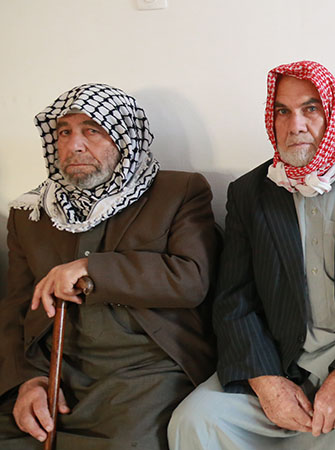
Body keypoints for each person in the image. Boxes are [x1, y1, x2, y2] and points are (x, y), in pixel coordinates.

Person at [168, 61, 335, 449]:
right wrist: (267, 383)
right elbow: (234, 300)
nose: (296, 126)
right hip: (281, 359)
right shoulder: (250, 194)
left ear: (333, 115)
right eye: (283, 112)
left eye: (310, 109)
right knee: (194, 422)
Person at [0, 83, 219, 449]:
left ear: (124, 139)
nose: (74, 145)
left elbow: (191, 280)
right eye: (64, 132)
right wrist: (26, 381)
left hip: (147, 372)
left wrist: (93, 268)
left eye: (92, 131)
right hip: (58, 373)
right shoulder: (32, 214)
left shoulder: (177, 192)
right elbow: (17, 309)